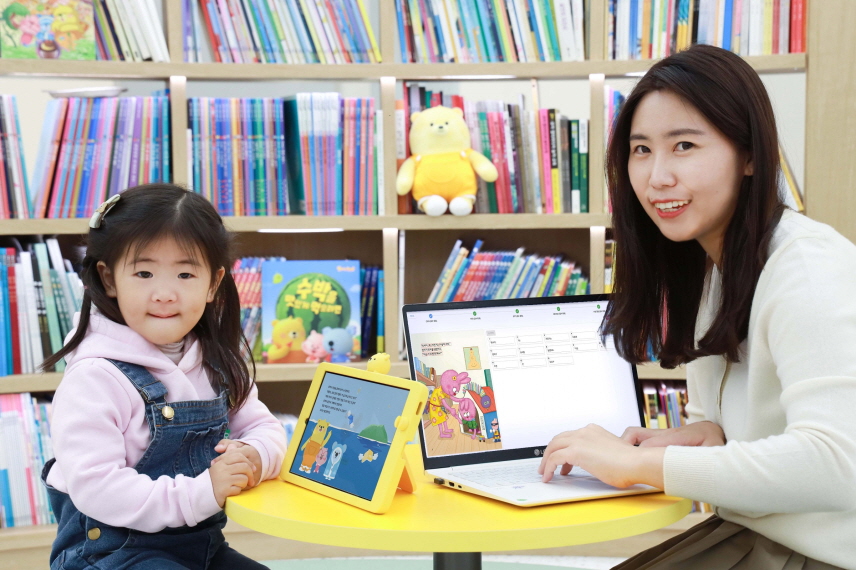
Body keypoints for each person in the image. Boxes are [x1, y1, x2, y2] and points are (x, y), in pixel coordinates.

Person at [538, 44, 856, 570]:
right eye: (641, 149)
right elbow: (745, 422)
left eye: (684, 145)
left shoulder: (807, 269)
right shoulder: (716, 265)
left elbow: (838, 462)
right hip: (757, 531)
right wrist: (704, 436)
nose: (657, 176)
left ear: (750, 156)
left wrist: (644, 465)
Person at [41, 184, 287, 569]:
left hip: (199, 549)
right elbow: (98, 488)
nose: (164, 293)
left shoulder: (215, 360)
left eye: (185, 274)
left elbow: (264, 427)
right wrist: (203, 491)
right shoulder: (95, 376)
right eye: (144, 272)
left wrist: (255, 455)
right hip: (109, 555)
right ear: (109, 279)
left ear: (213, 283)